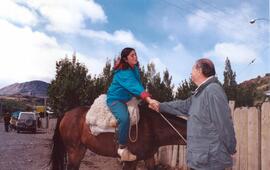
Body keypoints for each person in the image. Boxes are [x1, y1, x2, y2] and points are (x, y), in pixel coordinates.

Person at [149, 58, 236, 170]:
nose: (191, 73)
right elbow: (182, 105)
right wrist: (160, 106)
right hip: (200, 160)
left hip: (210, 162)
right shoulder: (199, 94)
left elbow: (224, 124)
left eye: (193, 69)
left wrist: (231, 148)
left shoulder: (213, 91)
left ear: (199, 70)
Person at [107, 47, 156, 161]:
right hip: (116, 99)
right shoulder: (123, 72)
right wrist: (148, 99)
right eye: (132, 55)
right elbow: (135, 86)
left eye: (135, 54)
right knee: (125, 119)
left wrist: (146, 96)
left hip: (128, 98)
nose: (135, 57)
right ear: (125, 59)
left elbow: (137, 86)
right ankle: (122, 147)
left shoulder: (134, 69)